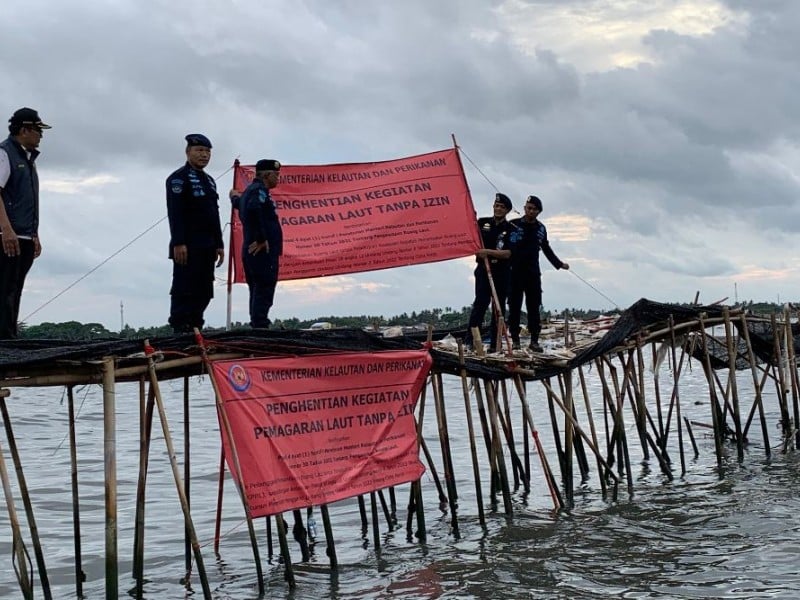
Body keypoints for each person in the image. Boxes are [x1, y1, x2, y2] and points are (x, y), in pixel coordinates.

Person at [0, 108, 51, 339]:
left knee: (16, 288)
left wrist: (34, 234)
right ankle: (5, 340)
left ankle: (10, 335)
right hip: (9, 237)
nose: (40, 136)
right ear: (24, 130)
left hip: (25, 235)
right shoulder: (5, 153)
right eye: (38, 130)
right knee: (5, 289)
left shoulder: (29, 159)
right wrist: (6, 229)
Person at [166, 133, 224, 334]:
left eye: (208, 152)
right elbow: (176, 214)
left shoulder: (209, 181)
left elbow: (214, 214)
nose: (204, 155)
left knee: (204, 290)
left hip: (207, 245)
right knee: (184, 288)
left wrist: (220, 243)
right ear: (188, 152)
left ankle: (196, 325)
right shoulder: (178, 179)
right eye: (200, 151)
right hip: (187, 246)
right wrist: (178, 242)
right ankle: (180, 327)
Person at [507, 195, 569, 352]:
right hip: (514, 272)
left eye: (534, 209)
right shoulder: (513, 225)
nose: (531, 211)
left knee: (534, 307)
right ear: (524, 208)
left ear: (539, 212)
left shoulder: (541, 228)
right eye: (529, 208)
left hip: (533, 273)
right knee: (514, 306)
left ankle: (534, 340)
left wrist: (559, 264)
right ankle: (515, 339)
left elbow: (546, 248)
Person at [234, 159, 282, 328]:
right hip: (260, 250)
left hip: (252, 250)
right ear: (267, 175)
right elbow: (254, 209)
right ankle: (260, 324)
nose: (278, 179)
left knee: (257, 289)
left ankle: (258, 322)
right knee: (264, 288)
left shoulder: (250, 191)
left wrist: (233, 196)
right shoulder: (259, 190)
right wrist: (262, 239)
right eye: (276, 175)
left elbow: (241, 205)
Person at [464, 192, 515, 352]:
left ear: (507, 210)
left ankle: (495, 344)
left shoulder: (511, 229)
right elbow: (472, 240)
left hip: (501, 272)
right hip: (483, 271)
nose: (498, 209)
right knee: (480, 304)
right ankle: (470, 341)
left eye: (502, 207)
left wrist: (488, 252)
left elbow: (508, 253)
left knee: (498, 308)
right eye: (496, 206)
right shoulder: (482, 223)